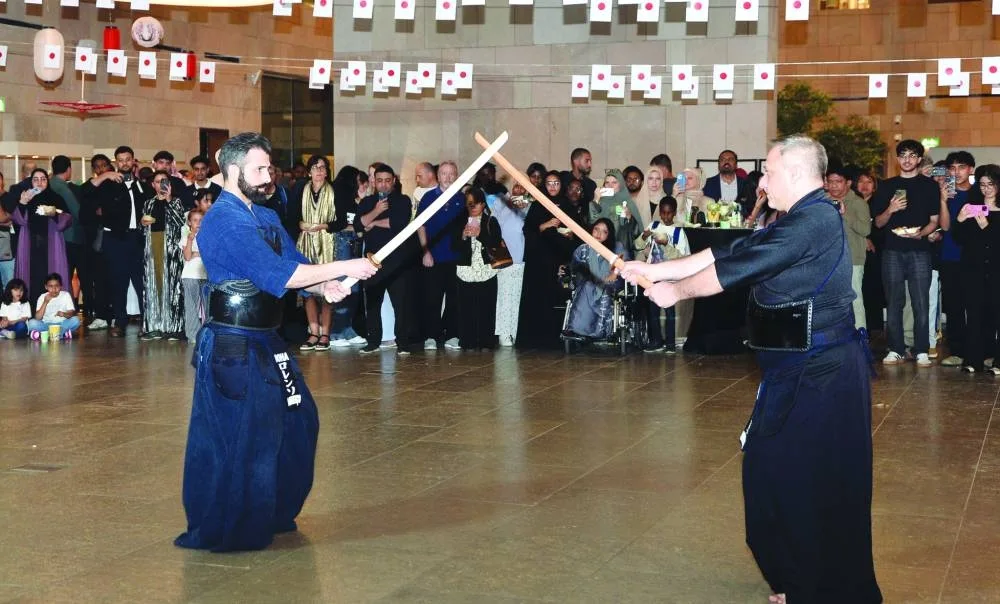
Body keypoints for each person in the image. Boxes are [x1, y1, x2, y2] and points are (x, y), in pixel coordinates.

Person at [620, 135, 882, 604]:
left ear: (796, 174)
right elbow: (733, 249)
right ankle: (799, 583)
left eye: (769, 173)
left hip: (822, 375)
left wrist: (674, 292)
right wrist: (657, 270)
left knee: (806, 484)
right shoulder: (798, 217)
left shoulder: (816, 219)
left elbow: (738, 269)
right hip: (793, 371)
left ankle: (817, 590)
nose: (762, 183)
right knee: (771, 480)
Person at [175, 132, 378, 553]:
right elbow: (277, 275)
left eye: (269, 168)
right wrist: (347, 265)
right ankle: (234, 525)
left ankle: (273, 511)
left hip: (268, 341)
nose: (269, 177)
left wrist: (323, 286)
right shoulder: (223, 221)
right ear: (233, 170)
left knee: (298, 420)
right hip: (233, 345)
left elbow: (295, 265)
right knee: (243, 434)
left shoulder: (264, 216)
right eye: (259, 169)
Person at [870, 139, 940, 367]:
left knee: (921, 302)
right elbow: (878, 223)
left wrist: (921, 234)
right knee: (894, 302)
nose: (907, 160)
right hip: (892, 250)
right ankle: (895, 349)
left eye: (912, 155)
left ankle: (921, 350)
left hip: (920, 250)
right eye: (903, 155)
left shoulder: (929, 186)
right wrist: (891, 209)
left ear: (919, 159)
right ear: (897, 159)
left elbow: (934, 221)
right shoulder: (886, 186)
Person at [951, 164, 1000, 374]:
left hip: (996, 269)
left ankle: (997, 361)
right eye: (982, 184)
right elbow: (959, 239)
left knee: (996, 313)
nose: (986, 189)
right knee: (974, 313)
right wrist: (960, 220)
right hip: (974, 268)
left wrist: (986, 227)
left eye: (991, 184)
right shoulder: (973, 207)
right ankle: (973, 359)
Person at [287, 155, 340, 351]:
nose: (319, 170)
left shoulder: (334, 190)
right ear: (309, 172)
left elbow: (341, 220)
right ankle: (313, 332)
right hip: (305, 241)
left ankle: (325, 333)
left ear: (327, 171)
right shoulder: (300, 189)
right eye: (315, 167)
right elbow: (291, 217)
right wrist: (301, 225)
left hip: (327, 242)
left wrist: (322, 226)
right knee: (307, 289)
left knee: (327, 289)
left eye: (323, 167)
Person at [634, 197, 690, 352]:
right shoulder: (653, 226)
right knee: (653, 310)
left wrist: (666, 245)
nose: (666, 217)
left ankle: (670, 343)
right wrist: (644, 237)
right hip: (652, 275)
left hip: (669, 277)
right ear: (659, 212)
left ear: (674, 213)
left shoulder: (679, 232)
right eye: (663, 213)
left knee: (669, 310)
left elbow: (683, 256)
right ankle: (656, 340)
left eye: (669, 213)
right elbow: (638, 245)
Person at [11, 168, 73, 300]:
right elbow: (18, 220)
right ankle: (31, 307)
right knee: (31, 277)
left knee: (51, 275)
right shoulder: (26, 197)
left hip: (51, 244)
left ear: (47, 181)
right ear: (31, 182)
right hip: (29, 245)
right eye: (36, 180)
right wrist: (22, 203)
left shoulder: (55, 197)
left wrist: (54, 213)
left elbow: (67, 220)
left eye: (43, 179)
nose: (39, 183)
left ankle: (54, 307)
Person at [141, 171, 186, 340]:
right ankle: (154, 326)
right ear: (153, 185)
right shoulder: (148, 203)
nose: (161, 184)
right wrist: (142, 223)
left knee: (172, 288)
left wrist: (168, 200)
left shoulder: (176, 201)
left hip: (171, 250)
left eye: (164, 181)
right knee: (153, 286)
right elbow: (143, 228)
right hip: (153, 246)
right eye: (158, 181)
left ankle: (174, 327)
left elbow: (181, 223)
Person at [562, 218, 624, 341]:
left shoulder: (615, 249)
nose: (599, 234)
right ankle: (577, 329)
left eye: (604, 232)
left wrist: (613, 275)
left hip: (609, 286)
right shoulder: (583, 249)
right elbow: (573, 267)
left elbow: (623, 268)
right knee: (587, 287)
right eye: (596, 229)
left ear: (609, 235)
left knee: (599, 289)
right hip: (586, 285)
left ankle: (596, 331)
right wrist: (565, 269)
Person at [180, 208, 207, 343]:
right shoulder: (186, 237)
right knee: (191, 306)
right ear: (189, 223)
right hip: (190, 275)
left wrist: (197, 254)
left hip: (205, 275)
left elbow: (208, 255)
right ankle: (192, 335)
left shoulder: (207, 236)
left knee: (207, 306)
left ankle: (207, 333)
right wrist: (190, 240)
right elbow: (187, 256)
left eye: (201, 220)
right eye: (195, 220)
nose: (198, 223)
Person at [27, 272, 80, 339]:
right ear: (46, 287)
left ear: (60, 286)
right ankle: (61, 334)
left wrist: (64, 314)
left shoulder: (65, 295)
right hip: (46, 325)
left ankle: (47, 334)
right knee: (31, 323)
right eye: (51, 286)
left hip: (62, 324)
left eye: (57, 286)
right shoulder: (42, 297)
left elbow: (71, 313)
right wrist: (45, 302)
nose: (54, 289)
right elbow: (38, 318)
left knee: (76, 320)